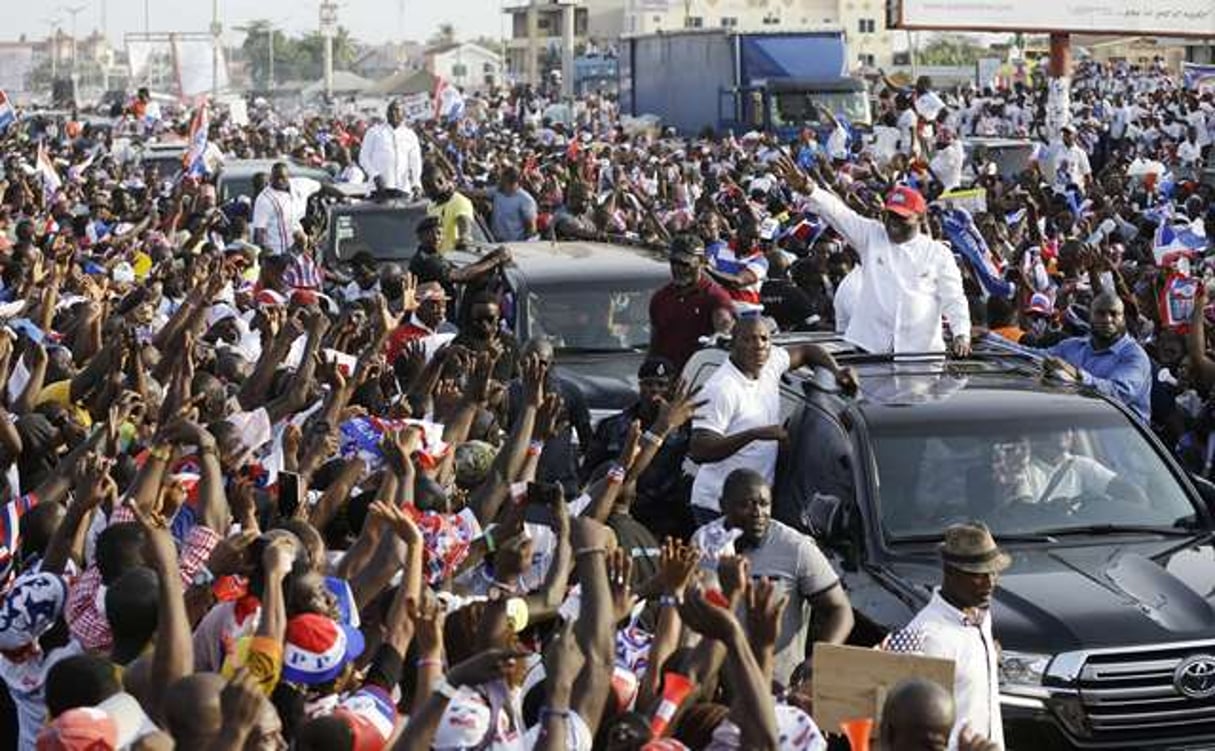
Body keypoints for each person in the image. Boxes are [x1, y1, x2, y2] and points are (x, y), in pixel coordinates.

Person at [779, 160, 972, 356]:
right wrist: (809, 188)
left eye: (902, 217)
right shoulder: (871, 235)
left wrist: (961, 334)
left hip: (920, 356)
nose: (894, 223)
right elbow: (838, 213)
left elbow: (954, 298)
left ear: (921, 218)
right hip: (870, 351)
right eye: (891, 215)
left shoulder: (938, 253)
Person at [691, 468, 853, 687]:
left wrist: (817, 659)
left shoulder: (795, 548)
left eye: (764, 504)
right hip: (713, 680)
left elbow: (841, 610)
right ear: (723, 506)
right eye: (746, 504)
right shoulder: (704, 542)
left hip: (774, 684)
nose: (758, 512)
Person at [688, 316, 856, 524]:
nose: (758, 346)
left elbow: (807, 351)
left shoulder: (770, 364)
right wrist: (755, 434)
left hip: (757, 505)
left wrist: (836, 371)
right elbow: (699, 450)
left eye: (763, 339)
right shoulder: (721, 389)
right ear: (733, 344)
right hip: (718, 506)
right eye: (748, 340)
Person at [883, 522, 1008, 750]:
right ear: (950, 572)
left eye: (994, 572)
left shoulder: (980, 614)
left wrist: (988, 656)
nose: (990, 583)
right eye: (978, 575)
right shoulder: (925, 636)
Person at [1042, 292, 1151, 423]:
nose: (1107, 319)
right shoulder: (1073, 346)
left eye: (1114, 314)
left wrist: (1077, 375)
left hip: (1122, 435)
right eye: (1100, 313)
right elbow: (1036, 355)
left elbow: (1119, 393)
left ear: (1123, 319)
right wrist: (1010, 344)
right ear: (1090, 317)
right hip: (1081, 428)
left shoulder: (1134, 355)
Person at [648, 234, 735, 372]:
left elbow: (724, 338)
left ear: (701, 262)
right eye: (674, 262)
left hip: (699, 379)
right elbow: (654, 345)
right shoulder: (661, 298)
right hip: (667, 380)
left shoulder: (715, 297)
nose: (678, 268)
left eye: (685, 263)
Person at [357, 100, 423, 196]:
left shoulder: (410, 135)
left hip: (402, 188)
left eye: (397, 110)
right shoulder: (374, 132)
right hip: (378, 188)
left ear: (403, 114)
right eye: (390, 110)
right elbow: (363, 158)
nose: (393, 113)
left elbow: (415, 161)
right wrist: (374, 175)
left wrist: (416, 183)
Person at [251, 162, 315, 255]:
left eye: (282, 178)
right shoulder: (264, 199)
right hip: (277, 255)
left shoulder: (296, 189)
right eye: (276, 178)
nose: (279, 181)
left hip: (295, 254)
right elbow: (259, 233)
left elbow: (321, 187)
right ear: (271, 178)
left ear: (288, 177)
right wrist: (265, 253)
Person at [423, 163, 477, 252]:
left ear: (440, 181)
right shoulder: (431, 206)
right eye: (424, 188)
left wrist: (464, 238)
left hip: (454, 261)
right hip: (438, 260)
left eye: (429, 186)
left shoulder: (460, 202)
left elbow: (464, 226)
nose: (427, 192)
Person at [489, 166, 538, 242]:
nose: (499, 182)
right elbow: (476, 193)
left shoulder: (526, 200)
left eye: (502, 180)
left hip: (514, 244)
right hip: (494, 241)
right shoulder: (497, 192)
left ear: (511, 182)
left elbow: (532, 227)